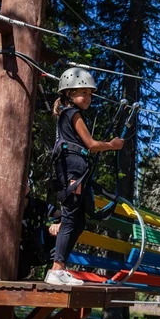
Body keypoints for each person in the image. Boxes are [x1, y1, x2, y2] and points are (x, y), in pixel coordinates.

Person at [45, 67, 124, 286]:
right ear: (70, 94)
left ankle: (60, 267)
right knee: (71, 219)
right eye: (83, 93)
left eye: (90, 94)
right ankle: (56, 269)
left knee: (77, 221)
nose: (88, 98)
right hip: (73, 171)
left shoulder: (65, 115)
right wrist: (112, 145)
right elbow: (90, 144)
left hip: (74, 169)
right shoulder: (73, 113)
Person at [17, 182, 61, 280]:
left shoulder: (39, 205)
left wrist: (58, 225)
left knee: (57, 234)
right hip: (15, 255)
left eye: (25, 181)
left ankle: (56, 271)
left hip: (36, 250)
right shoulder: (3, 208)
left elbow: (63, 216)